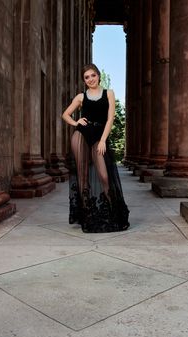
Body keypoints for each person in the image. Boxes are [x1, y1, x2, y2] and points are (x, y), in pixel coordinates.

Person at [62, 63, 130, 233]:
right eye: (87, 77)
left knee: (104, 176)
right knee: (82, 175)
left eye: (93, 75)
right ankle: (87, 217)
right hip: (81, 135)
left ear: (98, 75)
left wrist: (102, 141)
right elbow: (65, 114)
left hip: (99, 137)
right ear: (84, 80)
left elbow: (110, 120)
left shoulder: (109, 94)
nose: (90, 79)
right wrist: (76, 122)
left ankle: (112, 214)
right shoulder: (80, 97)